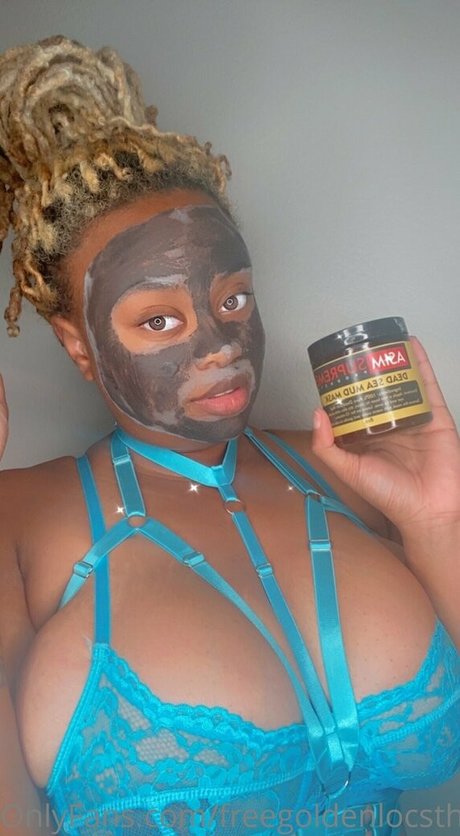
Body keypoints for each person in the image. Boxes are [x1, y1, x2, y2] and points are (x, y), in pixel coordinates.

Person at [0, 35, 459, 836]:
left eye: (233, 300)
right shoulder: (21, 523)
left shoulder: (350, 469)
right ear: (78, 346)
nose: (219, 344)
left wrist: (438, 522)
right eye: (159, 319)